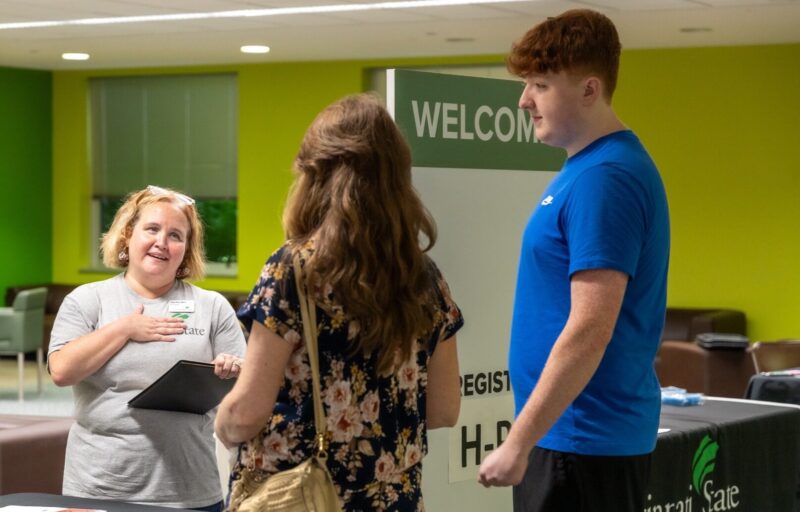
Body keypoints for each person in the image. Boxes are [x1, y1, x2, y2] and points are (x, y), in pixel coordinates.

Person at [215, 93, 463, 511]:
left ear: (316, 175)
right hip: (394, 500)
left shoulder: (293, 270)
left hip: (303, 497)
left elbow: (245, 414)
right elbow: (443, 409)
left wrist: (223, 421)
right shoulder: (424, 277)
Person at [477, 9, 670, 512]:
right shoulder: (588, 168)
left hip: (582, 445)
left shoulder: (605, 178)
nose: (524, 101)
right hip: (573, 440)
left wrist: (518, 441)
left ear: (589, 89)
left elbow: (590, 328)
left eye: (540, 85)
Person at [49, 185, 247, 511]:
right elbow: (61, 370)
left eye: (175, 235)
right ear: (128, 235)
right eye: (152, 229)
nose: (161, 242)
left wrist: (231, 369)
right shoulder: (88, 300)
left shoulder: (213, 307)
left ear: (187, 248)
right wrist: (125, 328)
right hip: (100, 488)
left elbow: (245, 386)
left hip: (191, 489)